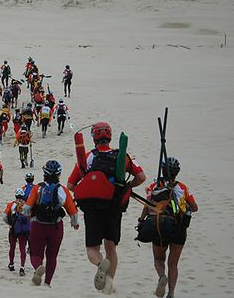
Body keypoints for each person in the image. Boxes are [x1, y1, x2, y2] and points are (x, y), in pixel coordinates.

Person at [67, 122, 146, 294]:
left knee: (92, 249)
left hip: (93, 208)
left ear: (94, 137)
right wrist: (128, 186)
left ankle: (99, 264)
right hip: (114, 206)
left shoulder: (88, 156)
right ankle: (109, 284)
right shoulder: (123, 156)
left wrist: (90, 186)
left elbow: (71, 184)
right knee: (111, 247)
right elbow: (141, 177)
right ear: (109, 136)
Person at [137, 157, 198, 298]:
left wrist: (141, 221)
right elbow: (195, 208)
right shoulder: (183, 188)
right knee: (173, 264)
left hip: (160, 224)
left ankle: (161, 277)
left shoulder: (154, 187)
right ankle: (171, 293)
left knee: (159, 259)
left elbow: (148, 205)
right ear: (177, 172)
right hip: (179, 228)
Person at [21, 160, 79, 287]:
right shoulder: (62, 190)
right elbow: (72, 211)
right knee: (52, 256)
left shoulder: (38, 188)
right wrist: (75, 223)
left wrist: (27, 214)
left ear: (44, 173)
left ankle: (38, 267)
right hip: (56, 227)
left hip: (38, 225)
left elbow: (26, 209)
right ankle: (47, 283)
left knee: (35, 254)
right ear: (58, 174)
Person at [4, 188, 30, 276]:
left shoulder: (11, 205)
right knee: (22, 248)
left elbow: (4, 217)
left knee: (12, 247)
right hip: (23, 230)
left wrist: (10, 224)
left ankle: (11, 264)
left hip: (13, 229)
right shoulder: (26, 205)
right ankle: (22, 267)